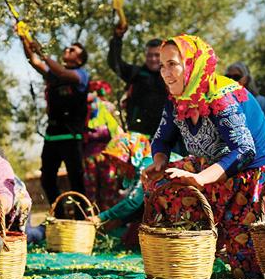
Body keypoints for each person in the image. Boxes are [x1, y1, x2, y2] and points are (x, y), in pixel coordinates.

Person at [142, 35, 265, 279]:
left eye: (172, 63)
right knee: (163, 184)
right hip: (218, 169)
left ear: (192, 64)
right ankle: (190, 255)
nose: (165, 72)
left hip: (259, 175)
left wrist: (200, 178)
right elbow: (161, 139)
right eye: (162, 65)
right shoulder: (177, 100)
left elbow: (244, 150)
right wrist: (160, 161)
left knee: (249, 269)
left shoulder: (221, 97)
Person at [17, 30, 90, 213]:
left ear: (79, 59)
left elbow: (63, 73)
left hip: (72, 137)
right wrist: (24, 39)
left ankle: (83, 221)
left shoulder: (80, 75)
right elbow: (34, 61)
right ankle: (59, 214)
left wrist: (42, 52)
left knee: (76, 181)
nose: (67, 50)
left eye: (72, 49)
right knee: (47, 179)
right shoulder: (53, 75)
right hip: (52, 137)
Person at [107, 23, 166, 136]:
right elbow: (115, 63)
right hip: (138, 132)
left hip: (166, 134)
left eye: (157, 55)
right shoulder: (136, 73)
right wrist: (117, 38)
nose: (153, 59)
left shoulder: (172, 77)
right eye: (149, 55)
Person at [81, 81, 122, 209]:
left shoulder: (104, 111)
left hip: (107, 158)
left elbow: (117, 133)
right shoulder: (81, 116)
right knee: (90, 191)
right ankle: (93, 220)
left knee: (109, 188)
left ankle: (111, 220)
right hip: (88, 161)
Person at [225, 62, 265, 129]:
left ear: (246, 79)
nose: (231, 80)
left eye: (236, 77)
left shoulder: (259, 101)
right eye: (228, 77)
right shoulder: (223, 101)